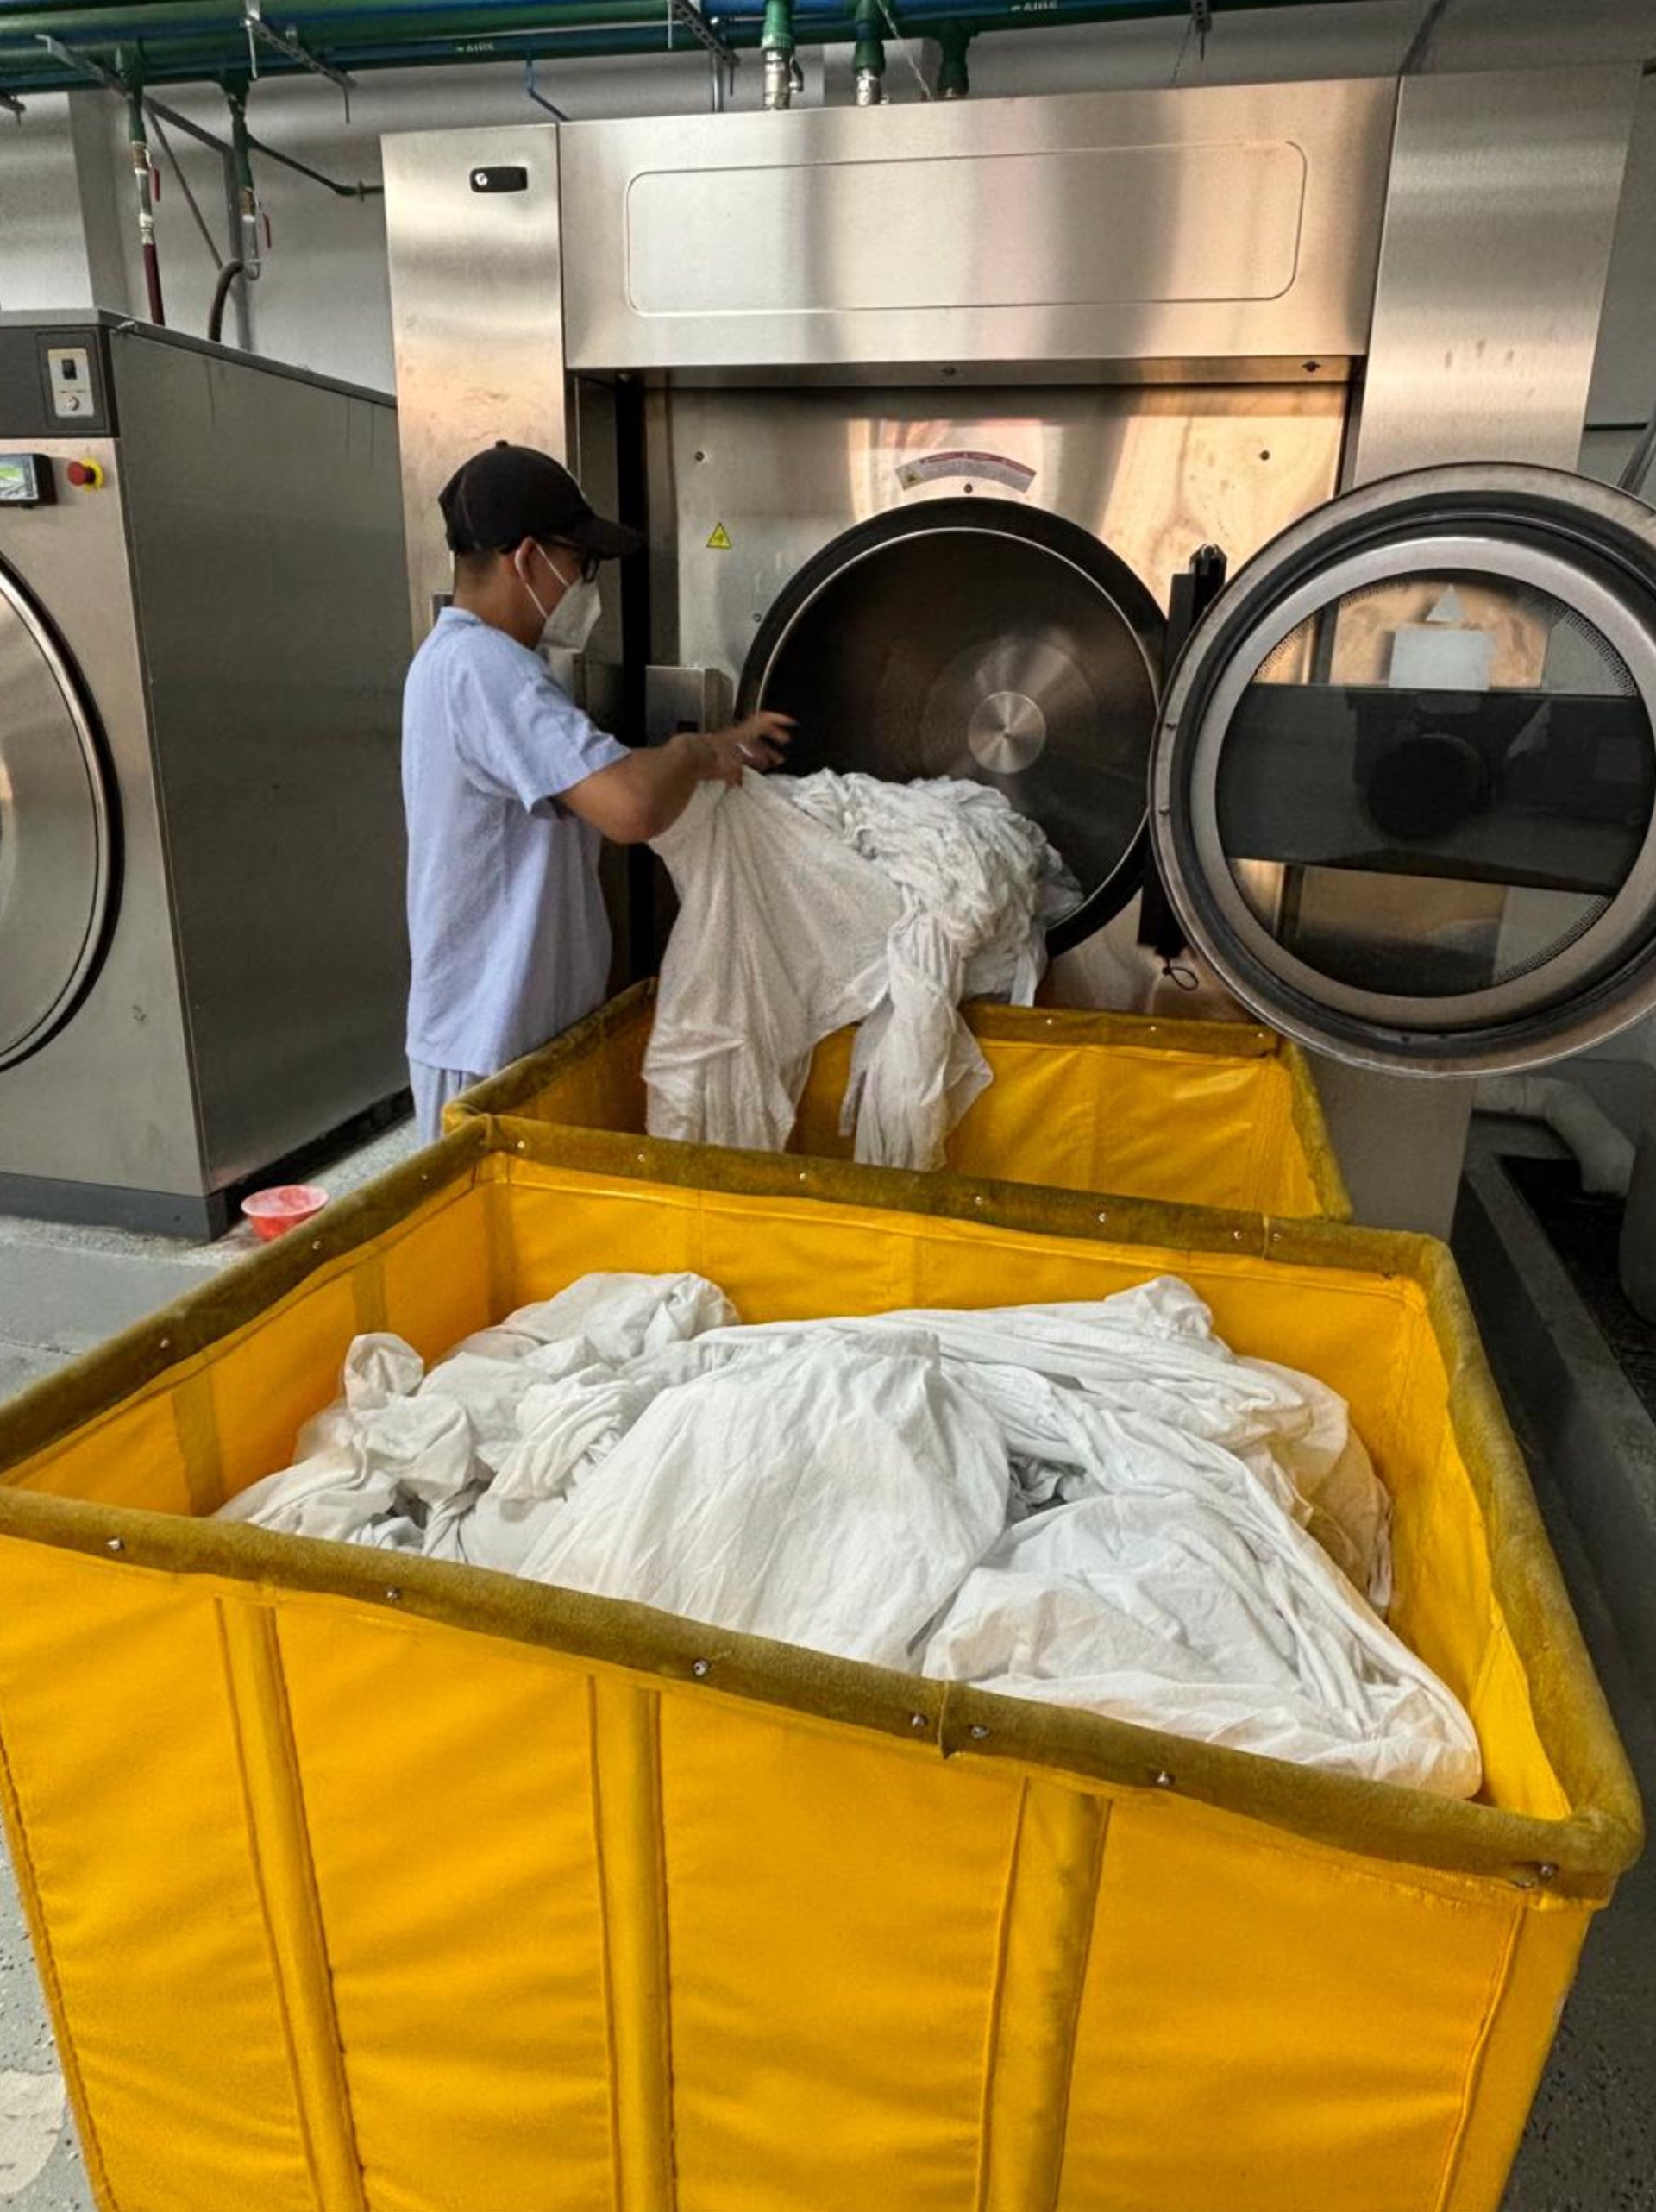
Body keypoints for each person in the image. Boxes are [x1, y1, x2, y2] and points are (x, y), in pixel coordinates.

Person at [402, 441, 793, 1141]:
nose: (586, 586)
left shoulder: (472, 664)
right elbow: (629, 807)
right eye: (581, 565)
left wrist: (715, 749)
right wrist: (695, 750)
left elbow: (597, 773)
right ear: (527, 559)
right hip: (489, 1044)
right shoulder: (486, 669)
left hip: (511, 1033)